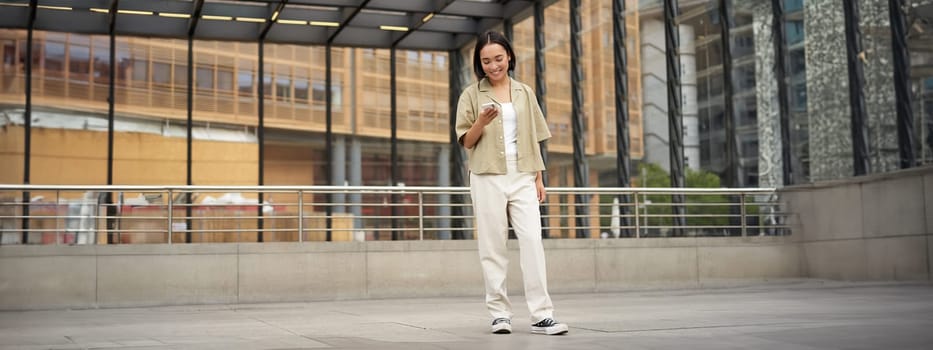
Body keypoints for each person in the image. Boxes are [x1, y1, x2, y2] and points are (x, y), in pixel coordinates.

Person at [454, 31, 569, 336]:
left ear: (509, 57)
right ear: (480, 63)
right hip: (486, 176)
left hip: (523, 176)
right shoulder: (471, 94)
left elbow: (534, 137)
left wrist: (539, 177)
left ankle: (542, 314)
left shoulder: (524, 92)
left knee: (532, 242)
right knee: (493, 246)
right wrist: (482, 122)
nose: (493, 66)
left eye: (498, 59)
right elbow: (466, 142)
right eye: (486, 61)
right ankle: (499, 314)